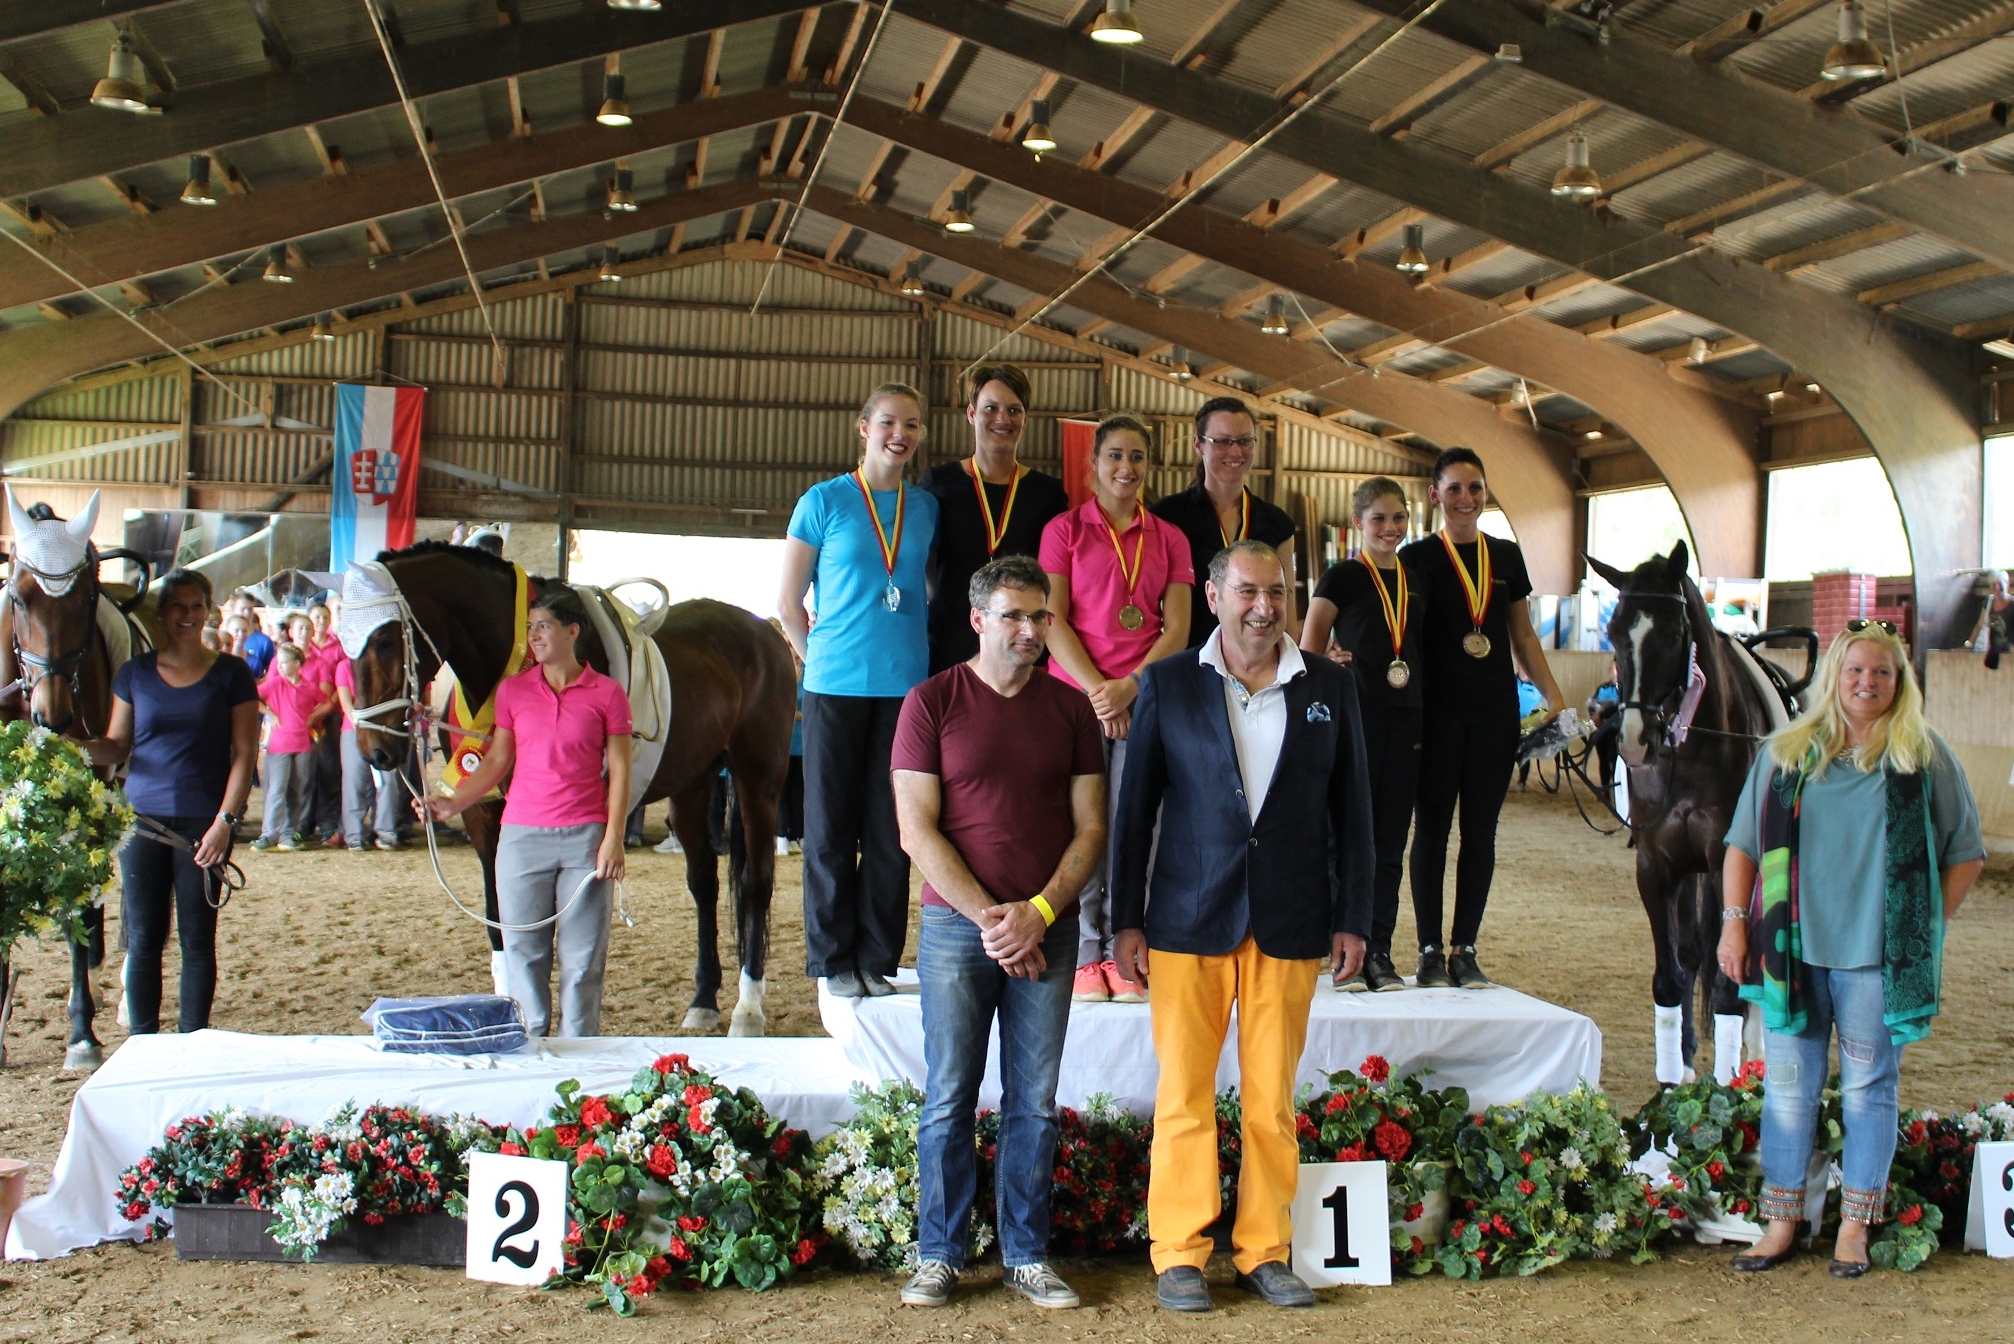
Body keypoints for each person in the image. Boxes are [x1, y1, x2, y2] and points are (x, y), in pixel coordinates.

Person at [1111, 540, 1372, 1313]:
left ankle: (1266, 1249)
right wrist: (1127, 919)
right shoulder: (1165, 684)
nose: (1265, 607)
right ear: (1215, 595)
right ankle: (1180, 1254)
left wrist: (1355, 917)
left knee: (1271, 1099)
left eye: (1279, 592)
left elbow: (1355, 815)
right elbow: (1135, 816)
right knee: (1184, 1095)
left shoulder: (1329, 686)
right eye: (1249, 592)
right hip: (1187, 920)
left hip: (1291, 922)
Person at [1716, 619, 1983, 1277]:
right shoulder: (1786, 753)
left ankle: (1855, 1228)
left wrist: (1925, 925)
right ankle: (1782, 1222)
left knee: (1869, 1086)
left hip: (1872, 960)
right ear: (1836, 675)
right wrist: (1732, 923)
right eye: (1857, 670)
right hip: (1791, 952)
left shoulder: (1922, 756)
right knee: (1787, 1087)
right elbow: (1742, 846)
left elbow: (1965, 853)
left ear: (1900, 682)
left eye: (1882, 673)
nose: (1868, 683)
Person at [891, 555, 1107, 1311]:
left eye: (1039, 616)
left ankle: (1025, 1253)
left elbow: (1092, 828)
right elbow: (915, 830)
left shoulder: (1072, 709)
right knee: (948, 1094)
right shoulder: (931, 702)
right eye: (1012, 615)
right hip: (958, 930)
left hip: (1047, 929)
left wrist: (1039, 913)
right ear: (977, 620)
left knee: (1035, 1100)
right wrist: (994, 918)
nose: (1028, 630)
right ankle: (939, 1254)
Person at [779, 382, 940, 998]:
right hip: (834, 687)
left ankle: (878, 957)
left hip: (905, 689)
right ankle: (832, 959)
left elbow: (923, 586)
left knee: (890, 830)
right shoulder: (823, 502)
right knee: (827, 829)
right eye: (890, 423)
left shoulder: (922, 508)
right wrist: (817, 658)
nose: (901, 435)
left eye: (913, 425)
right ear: (864, 427)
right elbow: (788, 604)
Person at [416, 584, 632, 1037]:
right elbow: (497, 760)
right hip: (520, 839)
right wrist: (453, 801)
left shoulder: (608, 694)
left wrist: (614, 838)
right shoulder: (513, 692)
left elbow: (620, 769)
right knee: (523, 952)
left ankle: (581, 1051)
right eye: (531, 628)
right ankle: (531, 1044)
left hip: (585, 840)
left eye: (544, 627)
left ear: (572, 631)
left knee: (582, 959)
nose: (534, 636)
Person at [1040, 414, 1192, 1003]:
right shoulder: (1064, 530)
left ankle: (1126, 954)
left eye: (1136, 457)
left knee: (1137, 828)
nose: (1125, 468)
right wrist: (1100, 693)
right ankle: (1083, 956)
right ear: (1092, 464)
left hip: (1145, 700)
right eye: (1114, 456)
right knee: (1083, 826)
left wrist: (1131, 686)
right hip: (1076, 701)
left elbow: (1176, 629)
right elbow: (1052, 620)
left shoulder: (1170, 538)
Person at [1400, 447, 1564, 989]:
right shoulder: (1416, 558)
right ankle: (1427, 949)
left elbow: (1522, 635)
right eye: (1454, 488)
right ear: (1435, 495)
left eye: (1475, 487)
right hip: (1434, 717)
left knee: (1481, 834)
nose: (1466, 499)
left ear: (1485, 492)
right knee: (1432, 831)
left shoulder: (1507, 557)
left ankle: (1464, 948)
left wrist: (1554, 696)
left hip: (1493, 716)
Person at [89, 569, 260, 1035]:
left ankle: (193, 1041)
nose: (187, 615)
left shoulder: (232, 673)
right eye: (178, 606)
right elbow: (116, 745)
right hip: (141, 823)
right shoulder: (134, 674)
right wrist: (71, 746)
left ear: (208, 611)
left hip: (203, 825)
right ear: (163, 613)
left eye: (195, 606)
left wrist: (226, 822)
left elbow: (245, 752)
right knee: (143, 939)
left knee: (198, 940)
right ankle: (143, 1042)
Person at [1300, 477, 1427, 992]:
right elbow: (1307, 651)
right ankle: (1340, 946)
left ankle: (1379, 949)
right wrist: (1326, 661)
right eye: (1378, 518)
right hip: (1353, 722)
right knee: (1346, 836)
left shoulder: (1417, 581)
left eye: (1398, 518)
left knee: (1391, 841)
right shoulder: (1343, 576)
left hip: (1407, 720)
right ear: (1358, 524)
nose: (1390, 528)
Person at [920, 363, 1070, 674]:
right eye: (991, 408)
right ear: (972, 413)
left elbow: (1054, 580)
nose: (1003, 418)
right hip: (951, 642)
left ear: (1025, 419)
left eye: (1014, 410)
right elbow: (925, 568)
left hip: (1022, 649)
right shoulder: (939, 484)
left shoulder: (1049, 494)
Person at [1151, 396, 1299, 648]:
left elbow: (1287, 614)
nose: (1235, 451)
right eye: (1222, 441)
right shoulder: (1167, 517)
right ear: (1198, 444)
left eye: (1244, 441)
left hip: (1255, 663)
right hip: (1189, 661)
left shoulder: (1277, 523)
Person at [252, 643, 330, 852]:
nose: (279, 666)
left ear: (296, 664)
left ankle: (287, 833)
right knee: (277, 789)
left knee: (297, 789)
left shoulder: (309, 687)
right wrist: (271, 714)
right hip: (280, 744)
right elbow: (252, 696)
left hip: (302, 744)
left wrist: (312, 717)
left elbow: (327, 702)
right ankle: (269, 833)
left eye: (284, 662)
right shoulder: (275, 684)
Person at [334, 653, 404, 851]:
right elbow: (346, 701)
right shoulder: (344, 666)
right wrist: (360, 724)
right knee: (354, 781)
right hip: (354, 729)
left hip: (382, 730)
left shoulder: (384, 663)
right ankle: (354, 833)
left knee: (388, 781)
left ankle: (385, 830)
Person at [303, 601, 346, 845]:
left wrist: (327, 705)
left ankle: (329, 823)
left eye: (324, 617)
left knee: (330, 768)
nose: (320, 621)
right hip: (303, 718)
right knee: (306, 770)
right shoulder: (300, 649)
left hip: (332, 714)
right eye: (316, 617)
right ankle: (305, 822)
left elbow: (343, 679)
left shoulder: (338, 647)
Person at [227, 591, 276, 678]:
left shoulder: (264, 642)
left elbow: (270, 673)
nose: (247, 613)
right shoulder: (222, 638)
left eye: (250, 609)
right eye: (243, 609)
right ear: (232, 610)